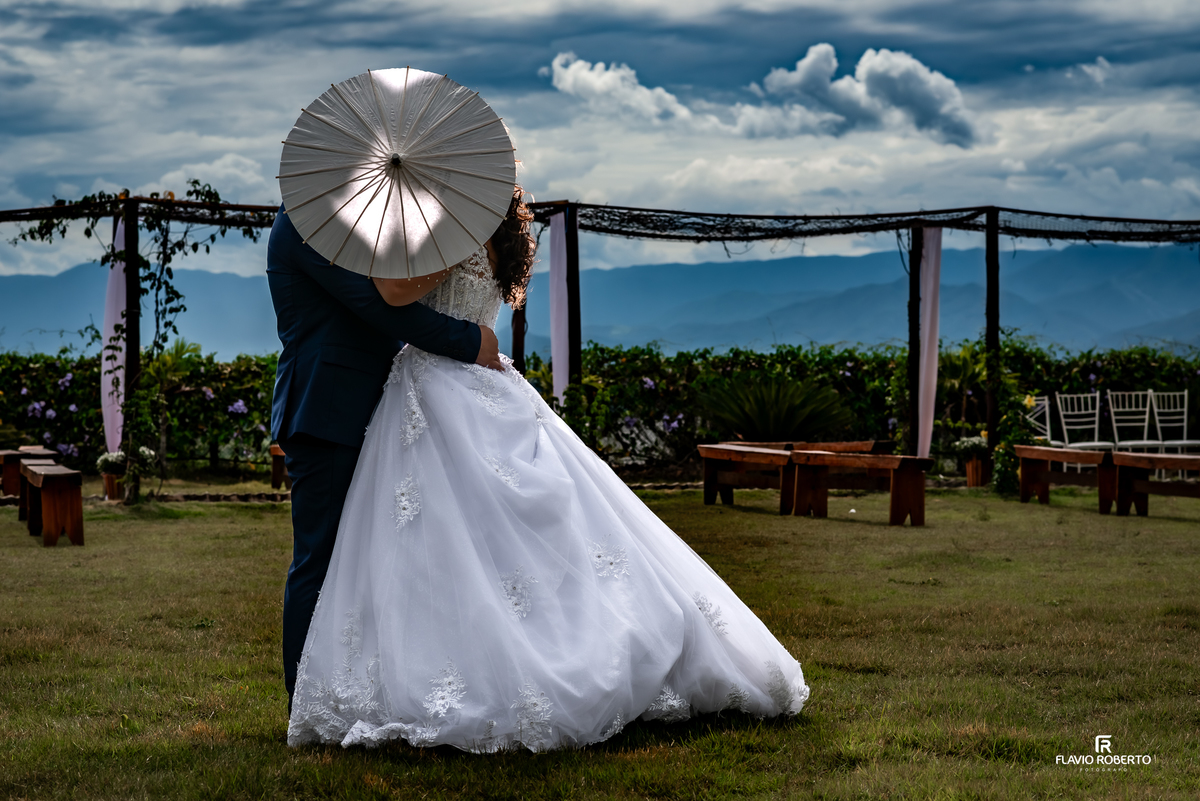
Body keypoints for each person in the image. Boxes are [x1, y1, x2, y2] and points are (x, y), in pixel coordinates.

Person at [286, 188, 809, 752]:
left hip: (436, 387)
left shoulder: (441, 223)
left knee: (438, 543)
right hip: (475, 381)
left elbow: (387, 294)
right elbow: (396, 300)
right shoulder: (489, 225)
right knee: (487, 542)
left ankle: (460, 671)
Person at [266, 206, 503, 708]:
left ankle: (368, 688)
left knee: (373, 562)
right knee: (322, 559)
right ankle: (305, 701)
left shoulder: (363, 222)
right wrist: (469, 341)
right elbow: (377, 305)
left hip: (385, 406)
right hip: (329, 409)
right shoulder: (308, 222)